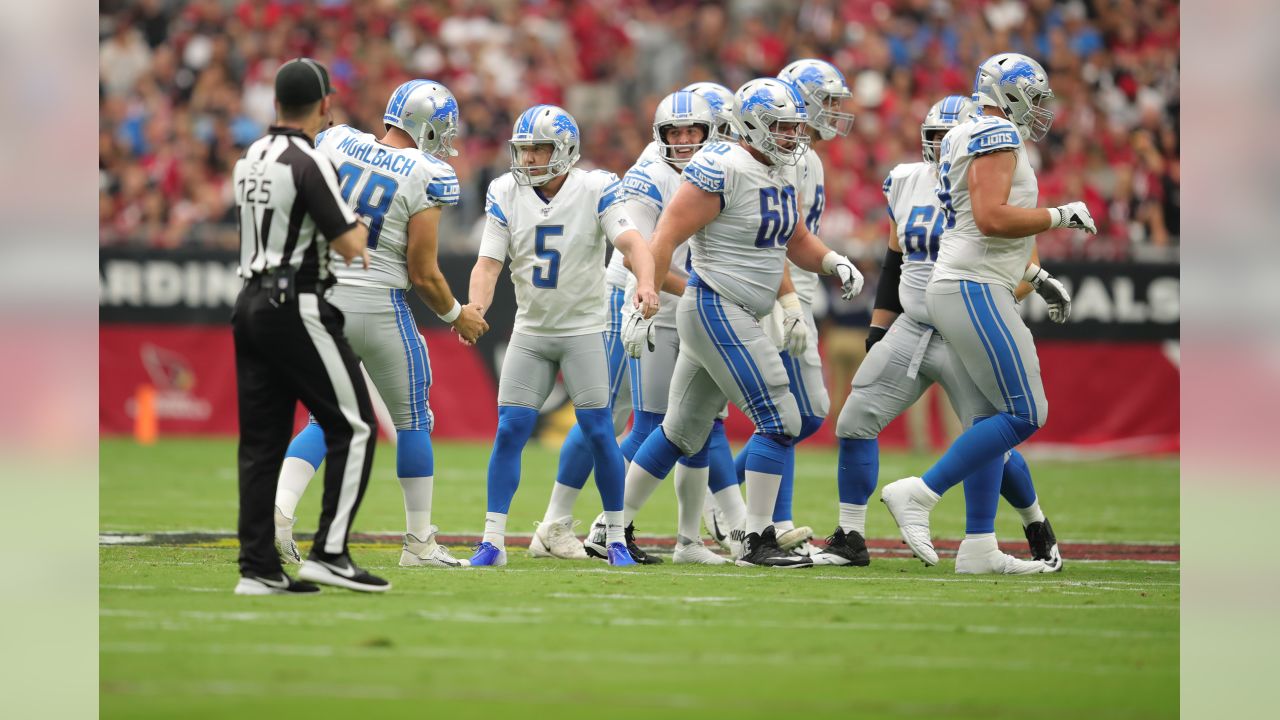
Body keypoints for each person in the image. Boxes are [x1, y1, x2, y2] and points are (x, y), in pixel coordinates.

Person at [620, 78, 864, 568]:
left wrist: (834, 260)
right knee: (781, 418)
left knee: (680, 433)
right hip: (717, 306)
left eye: (796, 125)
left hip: (731, 310)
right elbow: (664, 236)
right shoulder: (722, 166)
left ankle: (612, 527)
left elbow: (791, 239)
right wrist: (644, 297)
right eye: (783, 125)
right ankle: (756, 540)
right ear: (752, 123)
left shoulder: (778, 170)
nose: (794, 135)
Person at [826, 95, 1063, 570]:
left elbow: (1024, 261)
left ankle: (1025, 524)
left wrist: (996, 306)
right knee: (853, 420)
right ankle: (850, 536)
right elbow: (895, 260)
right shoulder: (906, 180)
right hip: (913, 323)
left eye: (948, 137)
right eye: (933, 137)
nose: (941, 147)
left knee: (989, 432)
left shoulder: (992, 179)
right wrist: (879, 326)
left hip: (963, 325)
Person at [881, 54, 1090, 575]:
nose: (1041, 108)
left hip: (966, 281)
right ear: (1010, 92)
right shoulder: (996, 134)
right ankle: (920, 492)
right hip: (974, 285)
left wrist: (1037, 277)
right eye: (1035, 96)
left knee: (987, 420)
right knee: (1025, 412)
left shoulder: (971, 132)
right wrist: (1060, 214)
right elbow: (991, 217)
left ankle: (978, 546)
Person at [271, 79, 488, 571]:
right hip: (380, 302)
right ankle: (418, 544)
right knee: (413, 419)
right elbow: (423, 273)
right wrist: (459, 315)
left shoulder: (336, 139)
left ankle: (279, 512)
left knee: (325, 419)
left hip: (324, 300)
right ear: (427, 126)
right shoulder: (428, 172)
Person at [466, 105, 660, 567]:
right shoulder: (505, 190)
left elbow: (633, 243)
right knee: (510, 430)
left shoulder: (595, 187)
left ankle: (614, 537)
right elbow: (488, 263)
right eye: (525, 148)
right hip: (530, 331)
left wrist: (647, 283)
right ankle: (492, 541)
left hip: (582, 331)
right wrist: (475, 306)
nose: (529, 157)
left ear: (566, 150)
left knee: (599, 431)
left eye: (539, 148)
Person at [230, 58, 384, 595]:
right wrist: (361, 223)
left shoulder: (250, 156)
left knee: (261, 442)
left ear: (275, 103)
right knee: (356, 426)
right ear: (324, 105)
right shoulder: (309, 160)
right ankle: (330, 553)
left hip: (247, 303)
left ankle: (258, 569)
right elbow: (349, 245)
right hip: (293, 303)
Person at [576, 90, 737, 565]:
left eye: (692, 132)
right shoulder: (649, 176)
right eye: (675, 133)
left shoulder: (720, 169)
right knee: (651, 422)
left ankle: (689, 541)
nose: (684, 141)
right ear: (660, 136)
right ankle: (608, 527)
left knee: (702, 426)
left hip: (695, 309)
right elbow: (639, 255)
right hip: (656, 309)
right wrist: (700, 293)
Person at [725, 58, 857, 554]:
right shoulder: (779, 156)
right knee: (791, 414)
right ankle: (757, 517)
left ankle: (741, 506)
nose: (834, 112)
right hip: (775, 292)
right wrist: (789, 301)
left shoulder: (806, 157)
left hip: (795, 289)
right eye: (826, 101)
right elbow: (773, 241)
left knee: (804, 413)